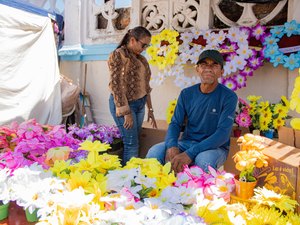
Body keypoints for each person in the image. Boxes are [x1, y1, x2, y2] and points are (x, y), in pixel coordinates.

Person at [146, 49, 238, 173]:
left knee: (204, 160)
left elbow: (222, 134)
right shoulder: (186, 94)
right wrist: (172, 145)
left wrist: (190, 153)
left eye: (214, 65)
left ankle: (202, 192)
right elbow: (175, 123)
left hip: (215, 147)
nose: (208, 68)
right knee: (155, 152)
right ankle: (153, 188)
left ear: (221, 72)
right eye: (204, 64)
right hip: (187, 143)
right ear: (198, 69)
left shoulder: (229, 96)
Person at [108, 26, 157, 165]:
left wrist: (150, 109)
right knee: (131, 144)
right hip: (124, 105)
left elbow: (146, 87)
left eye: (147, 46)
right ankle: (128, 181)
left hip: (140, 105)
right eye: (143, 44)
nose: (144, 48)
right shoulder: (119, 54)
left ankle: (129, 176)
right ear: (133, 40)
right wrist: (126, 112)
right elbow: (116, 84)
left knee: (134, 142)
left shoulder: (141, 59)